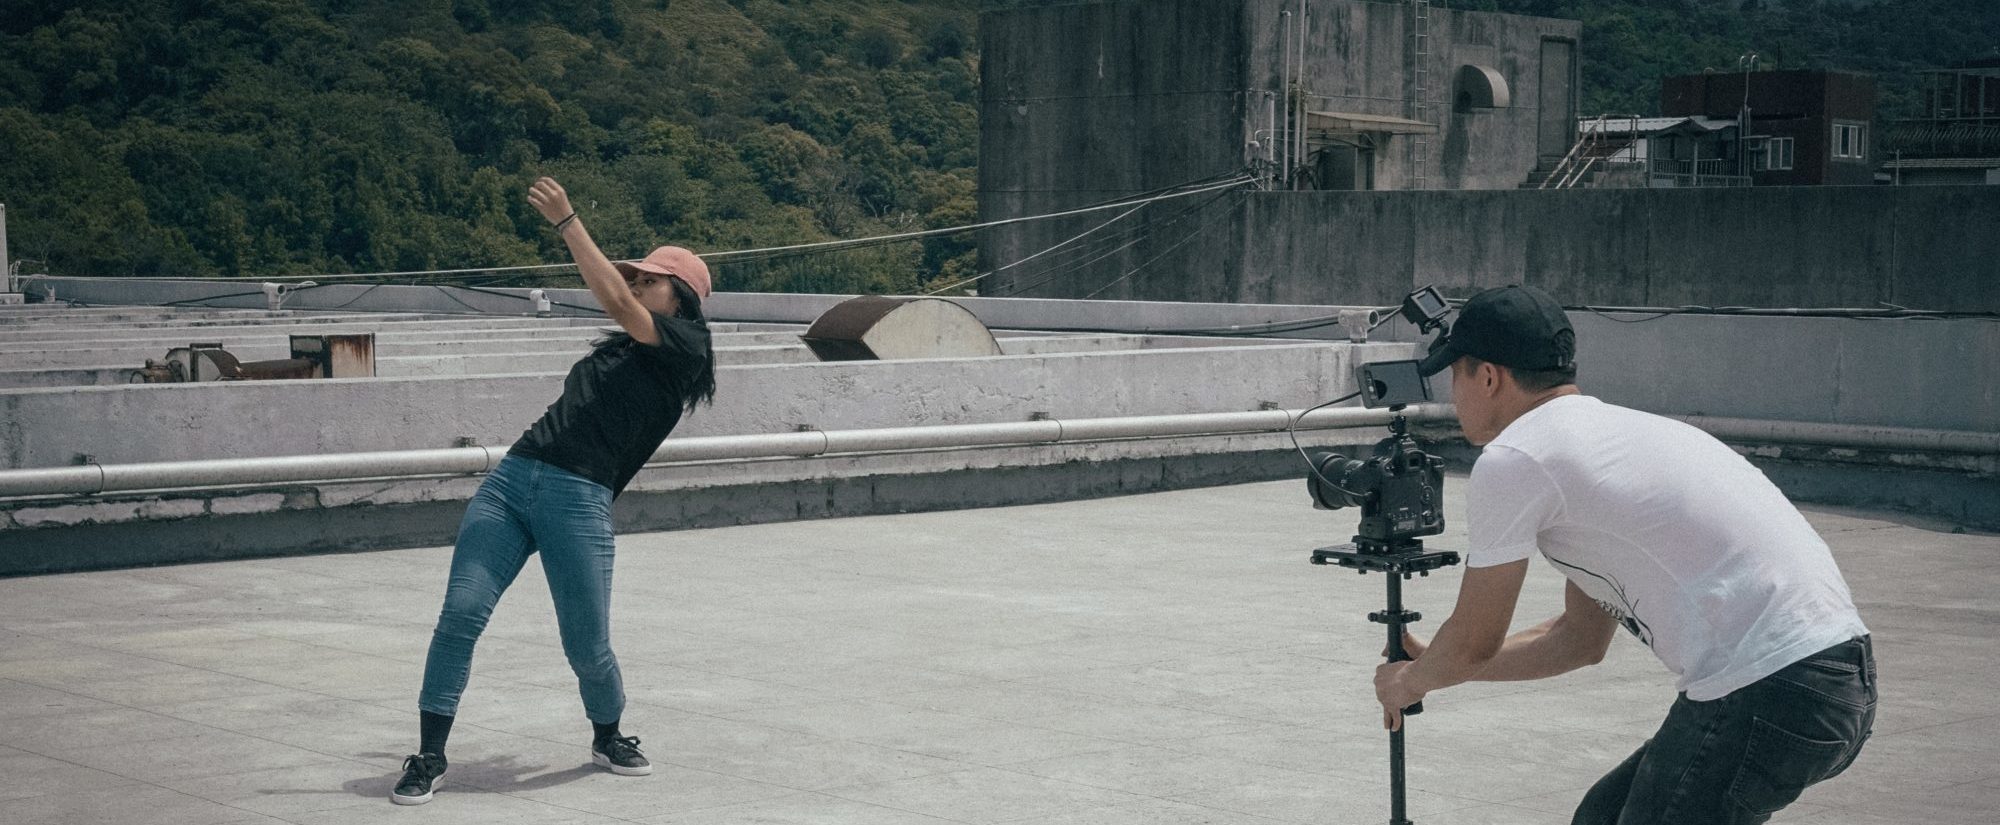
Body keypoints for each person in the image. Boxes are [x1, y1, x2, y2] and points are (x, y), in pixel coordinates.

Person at [1371, 285, 1874, 825]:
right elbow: (1577, 641)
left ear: (1488, 377)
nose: (1453, 393)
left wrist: (1409, 682)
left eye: (1456, 374)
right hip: (1837, 683)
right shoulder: (1615, 437)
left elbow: (1473, 643)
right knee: (1601, 817)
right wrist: (1437, 666)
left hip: (1766, 687)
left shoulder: (1516, 457)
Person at [392, 177, 719, 805]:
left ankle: (608, 734)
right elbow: (621, 318)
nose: (634, 285)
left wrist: (568, 221)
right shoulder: (623, 346)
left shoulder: (687, 347)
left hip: (578, 498)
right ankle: (430, 754)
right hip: (513, 479)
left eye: (647, 280)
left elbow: (621, 307)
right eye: (635, 277)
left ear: (681, 297)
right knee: (460, 615)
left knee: (587, 644)